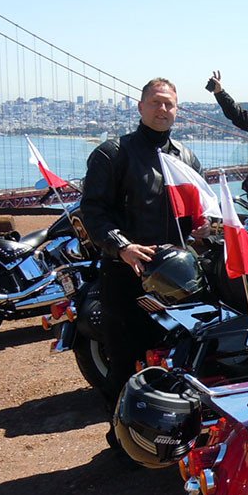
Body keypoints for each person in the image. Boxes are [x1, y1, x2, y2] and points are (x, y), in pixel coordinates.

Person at [79, 77, 203, 404]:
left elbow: (196, 214)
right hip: (125, 277)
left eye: (169, 104)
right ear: (140, 106)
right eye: (155, 102)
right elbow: (92, 210)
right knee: (124, 366)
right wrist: (121, 246)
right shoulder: (113, 154)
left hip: (176, 282)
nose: (162, 109)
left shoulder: (187, 159)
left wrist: (203, 232)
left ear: (177, 111)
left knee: (174, 363)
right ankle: (121, 447)